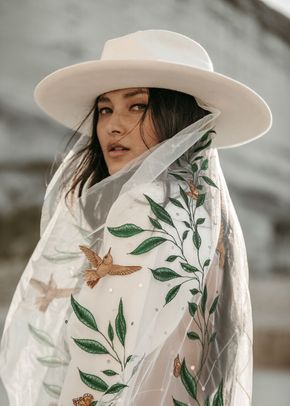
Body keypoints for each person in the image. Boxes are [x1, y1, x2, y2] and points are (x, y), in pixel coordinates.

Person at [0, 30, 272, 406]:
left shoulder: (146, 205)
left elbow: (97, 357)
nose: (113, 125)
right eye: (106, 109)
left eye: (138, 106)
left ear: (178, 118)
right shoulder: (205, 218)